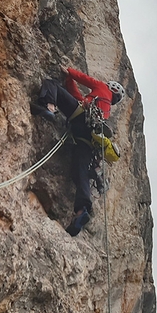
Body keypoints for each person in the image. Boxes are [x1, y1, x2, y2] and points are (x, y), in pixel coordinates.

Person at [31, 65, 125, 236]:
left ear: (110, 87)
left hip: (80, 118)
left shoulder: (102, 88)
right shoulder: (105, 110)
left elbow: (85, 79)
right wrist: (69, 81)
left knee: (52, 85)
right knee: (79, 172)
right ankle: (82, 210)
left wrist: (69, 72)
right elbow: (77, 98)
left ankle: (48, 106)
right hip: (88, 138)